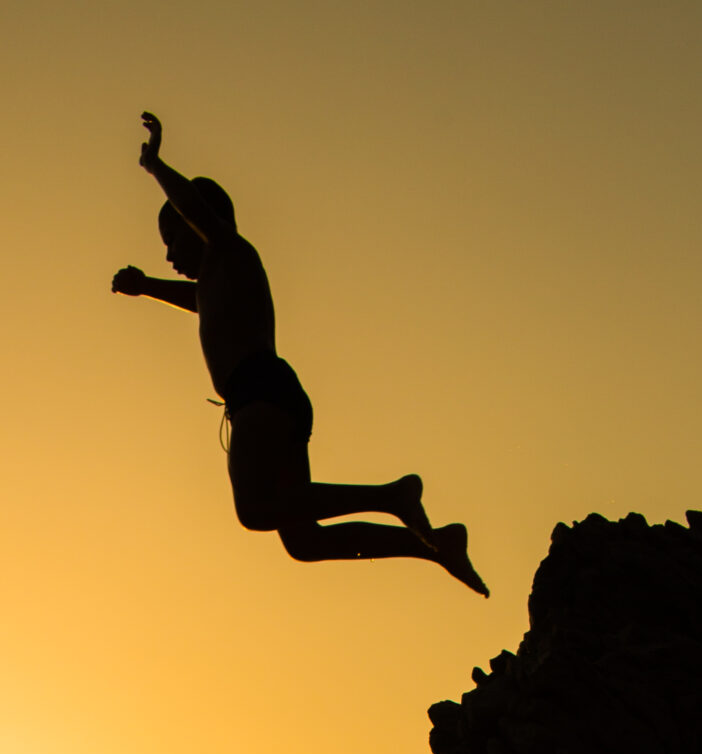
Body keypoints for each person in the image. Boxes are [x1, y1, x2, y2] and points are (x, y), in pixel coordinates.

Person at [113, 113, 488, 595]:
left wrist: (155, 167)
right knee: (304, 540)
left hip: (261, 393)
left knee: (255, 509)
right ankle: (433, 546)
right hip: (274, 395)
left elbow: (198, 212)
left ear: (198, 224)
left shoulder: (229, 248)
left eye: (174, 239)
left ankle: (393, 495)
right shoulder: (218, 280)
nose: (168, 256)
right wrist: (147, 287)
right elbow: (199, 303)